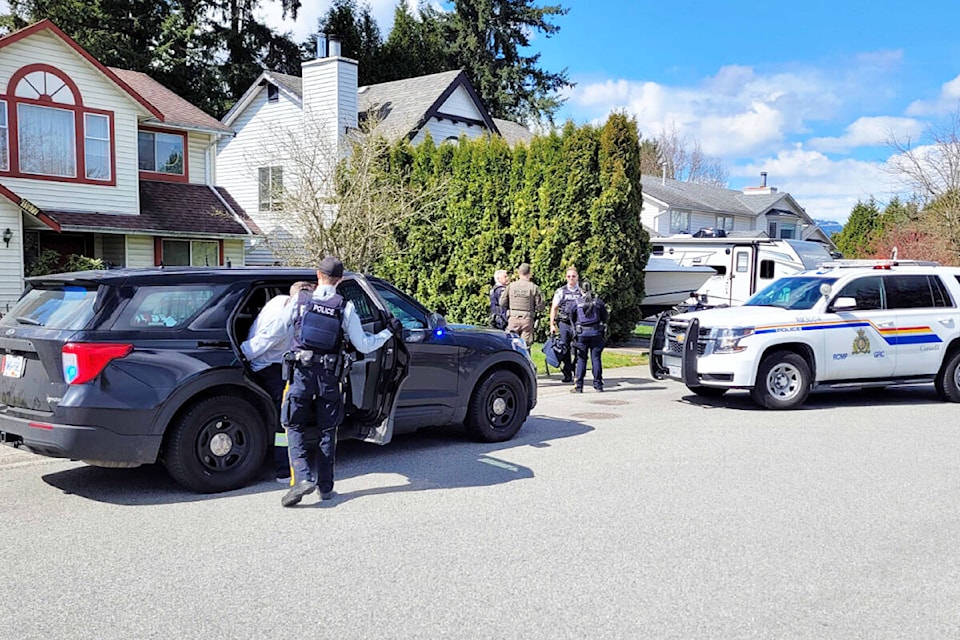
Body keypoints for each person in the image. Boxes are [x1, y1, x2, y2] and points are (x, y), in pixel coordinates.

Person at [273, 256, 397, 507]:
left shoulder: (299, 301)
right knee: (327, 431)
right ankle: (326, 489)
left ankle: (303, 478)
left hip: (300, 374)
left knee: (293, 426)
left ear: (317, 275)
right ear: (340, 280)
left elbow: (278, 333)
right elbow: (363, 344)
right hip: (329, 377)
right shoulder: (345, 308)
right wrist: (388, 332)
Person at [241, 281, 316, 483]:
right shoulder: (284, 323)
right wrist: (239, 357)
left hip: (270, 362)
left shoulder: (278, 300)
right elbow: (254, 347)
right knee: (286, 419)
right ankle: (285, 470)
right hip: (270, 368)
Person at [569, 280, 608, 393]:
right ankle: (598, 385)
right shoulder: (598, 302)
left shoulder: (576, 302)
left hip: (581, 334)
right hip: (596, 333)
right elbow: (605, 316)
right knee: (596, 359)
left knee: (581, 359)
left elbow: (571, 317)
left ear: (581, 289)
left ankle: (579, 386)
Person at [549, 266, 584, 383]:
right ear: (566, 277)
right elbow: (554, 308)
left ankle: (577, 371)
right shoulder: (561, 291)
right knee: (564, 348)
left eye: (573, 276)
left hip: (578, 324)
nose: (571, 279)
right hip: (564, 323)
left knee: (579, 348)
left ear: (577, 277)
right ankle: (567, 372)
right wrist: (552, 325)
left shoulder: (582, 292)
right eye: (569, 276)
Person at [499, 262, 544, 347]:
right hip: (527, 320)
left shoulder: (511, 286)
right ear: (529, 273)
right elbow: (540, 306)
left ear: (519, 273)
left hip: (513, 319)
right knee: (525, 346)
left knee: (511, 344)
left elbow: (502, 302)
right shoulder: (533, 287)